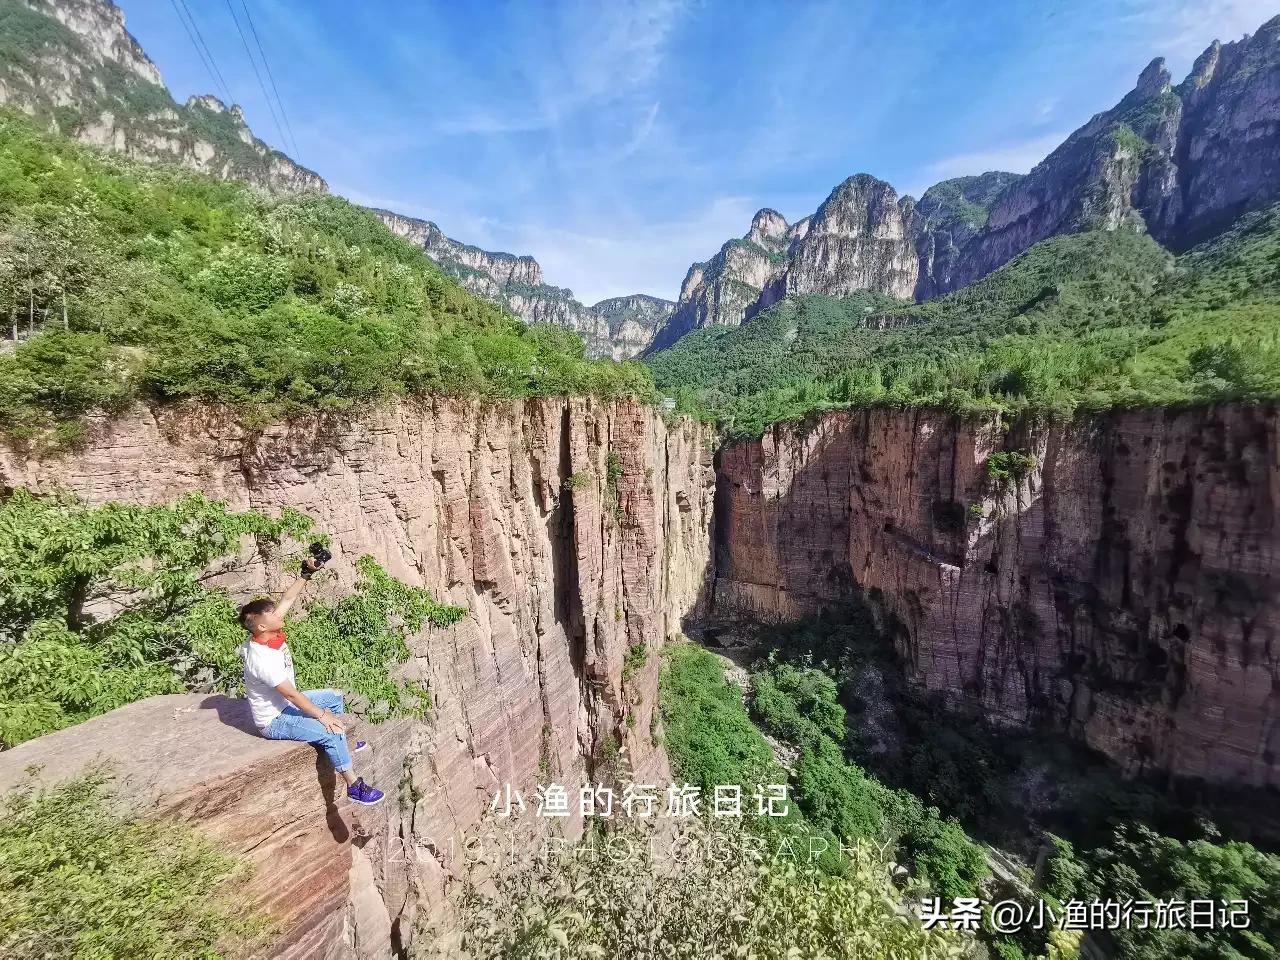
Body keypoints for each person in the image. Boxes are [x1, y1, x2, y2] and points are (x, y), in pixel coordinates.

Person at [238, 552, 385, 806]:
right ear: (261, 626)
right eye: (273, 615)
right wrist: (322, 716)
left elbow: (288, 598)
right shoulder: (261, 658)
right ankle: (354, 786)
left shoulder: (268, 633)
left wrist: (307, 573)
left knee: (335, 697)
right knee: (331, 730)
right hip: (275, 720)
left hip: (287, 705)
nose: (279, 615)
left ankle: (341, 744)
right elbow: (292, 695)